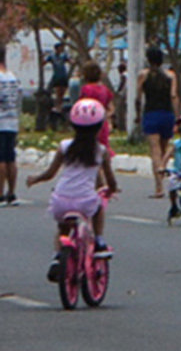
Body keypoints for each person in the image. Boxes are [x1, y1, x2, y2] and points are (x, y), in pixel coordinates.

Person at [31, 98, 118, 271]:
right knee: (99, 207)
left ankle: (57, 257)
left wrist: (36, 178)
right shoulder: (100, 151)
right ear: (100, 127)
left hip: (60, 202)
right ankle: (99, 241)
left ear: (72, 125)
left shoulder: (64, 146)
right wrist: (111, 190)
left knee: (63, 229)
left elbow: (50, 174)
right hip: (85, 202)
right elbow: (110, 181)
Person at [137, 46, 179, 197]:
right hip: (167, 114)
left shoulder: (144, 75)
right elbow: (174, 96)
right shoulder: (170, 75)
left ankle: (159, 187)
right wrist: (177, 116)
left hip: (151, 114)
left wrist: (137, 115)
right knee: (163, 149)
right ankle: (162, 174)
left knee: (155, 151)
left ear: (148, 59)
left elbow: (138, 98)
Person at [75, 60, 114, 154]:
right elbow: (111, 107)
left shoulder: (86, 89)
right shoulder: (105, 89)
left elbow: (81, 106)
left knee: (89, 150)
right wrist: (107, 118)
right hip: (102, 123)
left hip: (89, 124)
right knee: (102, 149)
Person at [0, 54, 20, 205]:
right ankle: (11, 193)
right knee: (10, 158)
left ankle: (0, 194)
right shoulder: (13, 77)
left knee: (1, 160)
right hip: (12, 121)